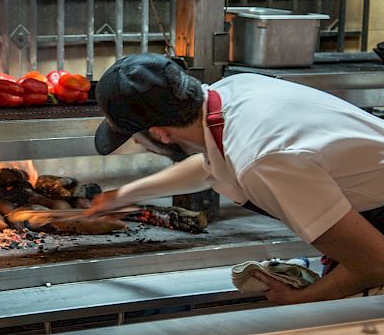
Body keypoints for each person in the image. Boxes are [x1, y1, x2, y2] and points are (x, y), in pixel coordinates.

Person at [87, 52, 384, 304]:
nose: (137, 144)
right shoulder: (234, 90)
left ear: (160, 133)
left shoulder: (262, 160)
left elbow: (375, 263)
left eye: (135, 137)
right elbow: (214, 163)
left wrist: (296, 300)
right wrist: (123, 195)